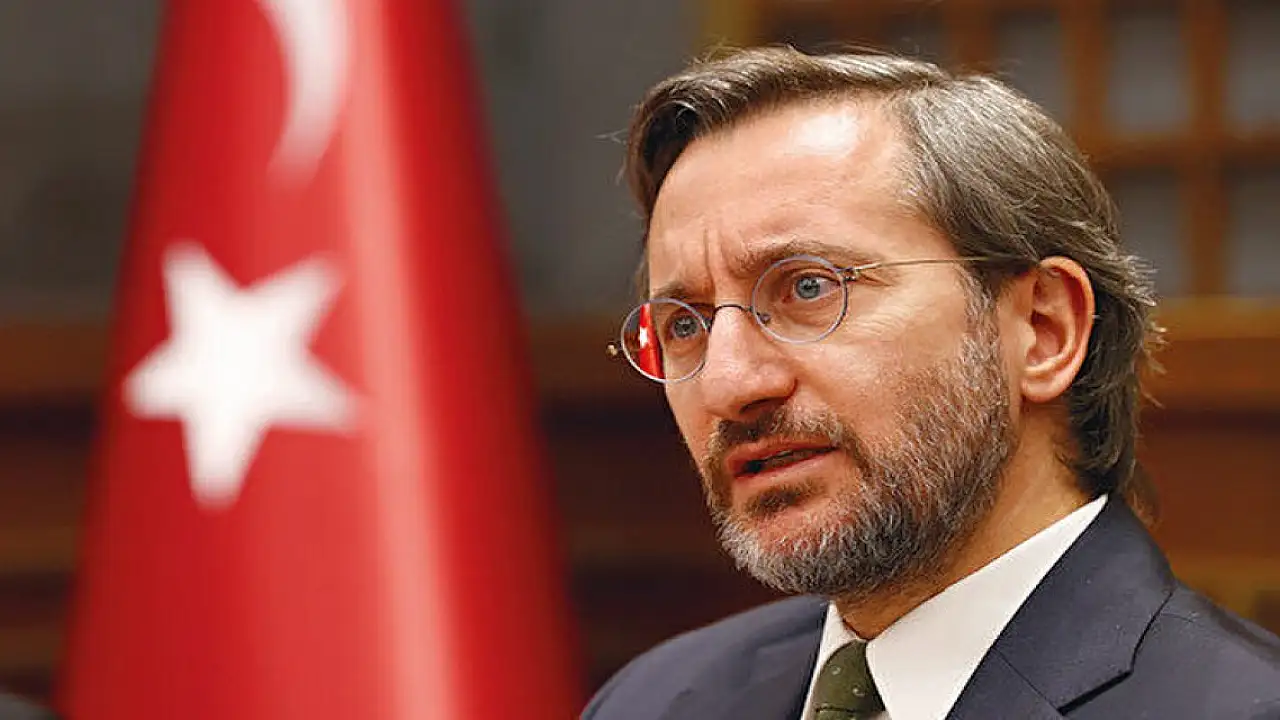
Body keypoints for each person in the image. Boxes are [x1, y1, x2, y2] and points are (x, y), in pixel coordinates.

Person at [584, 46, 1280, 720]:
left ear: (1043, 330)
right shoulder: (655, 700)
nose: (729, 384)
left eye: (809, 287)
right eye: (684, 326)